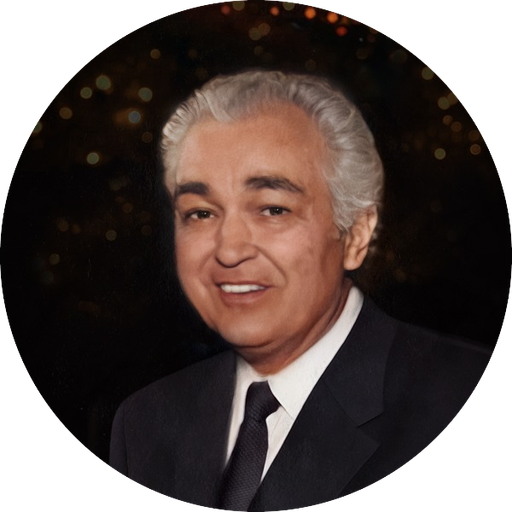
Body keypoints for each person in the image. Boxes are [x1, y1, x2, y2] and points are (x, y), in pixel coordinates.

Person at [109, 70, 493, 510]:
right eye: (200, 213)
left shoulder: (456, 396)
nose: (229, 250)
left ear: (356, 234)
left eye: (273, 209)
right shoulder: (144, 422)